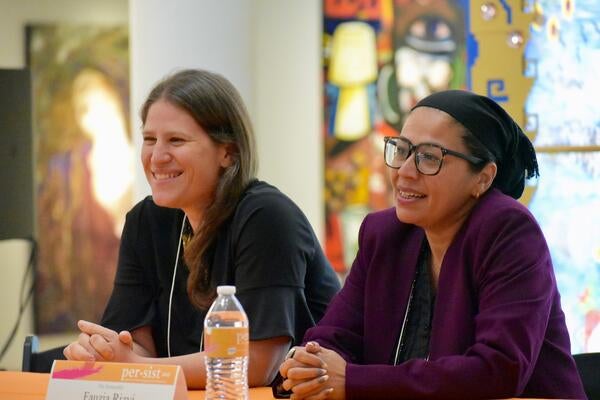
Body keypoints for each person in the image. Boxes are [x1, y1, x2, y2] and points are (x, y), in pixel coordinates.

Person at [278, 90, 586, 399]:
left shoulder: (508, 231)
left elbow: (498, 370)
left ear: (483, 178)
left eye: (429, 157)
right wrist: (311, 365)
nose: (404, 172)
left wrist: (354, 381)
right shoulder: (383, 233)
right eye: (401, 150)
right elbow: (334, 336)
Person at [63, 69, 341, 389]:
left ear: (228, 152)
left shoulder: (267, 216)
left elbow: (258, 362)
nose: (157, 156)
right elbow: (135, 343)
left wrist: (136, 368)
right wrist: (106, 353)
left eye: (176, 140)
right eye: (149, 139)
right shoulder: (145, 221)